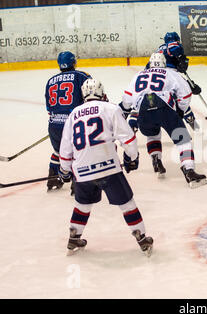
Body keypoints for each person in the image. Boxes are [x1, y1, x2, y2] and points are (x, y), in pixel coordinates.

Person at [58, 78, 153, 256]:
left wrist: (64, 170)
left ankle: (73, 236)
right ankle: (141, 238)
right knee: (127, 204)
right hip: (108, 167)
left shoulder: (73, 114)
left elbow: (65, 148)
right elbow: (128, 138)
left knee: (82, 204)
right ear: (102, 92)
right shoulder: (110, 108)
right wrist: (131, 157)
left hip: (82, 171)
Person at [120, 52, 207, 188]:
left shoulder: (138, 75)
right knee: (183, 139)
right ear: (163, 63)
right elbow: (185, 94)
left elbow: (126, 100)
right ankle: (189, 171)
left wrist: (125, 113)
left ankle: (156, 159)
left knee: (152, 134)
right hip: (163, 106)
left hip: (143, 110)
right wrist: (180, 110)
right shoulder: (170, 73)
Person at [44, 51, 91, 194]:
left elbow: (48, 107)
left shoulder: (50, 80)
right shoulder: (82, 76)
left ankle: (53, 178)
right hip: (72, 122)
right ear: (73, 62)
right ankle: (76, 184)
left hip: (54, 125)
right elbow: (90, 97)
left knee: (58, 151)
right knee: (78, 152)